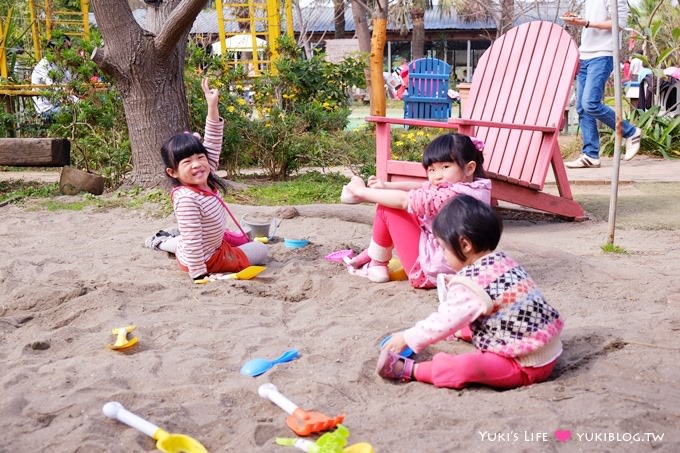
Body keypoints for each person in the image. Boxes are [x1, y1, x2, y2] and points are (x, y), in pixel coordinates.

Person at [376, 194, 564, 390]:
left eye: (443, 248)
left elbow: (442, 322)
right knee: (469, 320)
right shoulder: (502, 261)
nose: (443, 255)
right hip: (547, 347)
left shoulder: (470, 285)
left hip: (524, 364)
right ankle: (460, 334)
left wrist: (407, 337)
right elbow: (490, 294)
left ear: (465, 245)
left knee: (466, 367)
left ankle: (408, 370)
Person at [340, 133, 491, 288]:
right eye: (432, 170)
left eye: (445, 167)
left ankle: (377, 264)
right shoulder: (477, 187)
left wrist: (360, 191)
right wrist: (386, 186)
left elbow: (403, 201)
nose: (437, 176)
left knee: (387, 207)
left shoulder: (450, 196)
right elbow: (422, 186)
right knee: (401, 205)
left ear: (470, 167)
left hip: (431, 272)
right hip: (459, 266)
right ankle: (373, 253)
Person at [161, 78, 267, 282]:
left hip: (205, 243)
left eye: (200, 157)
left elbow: (213, 139)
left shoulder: (205, 175)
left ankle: (160, 241)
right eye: (187, 162)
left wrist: (212, 106)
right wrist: (199, 274)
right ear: (173, 172)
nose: (197, 164)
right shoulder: (187, 199)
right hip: (208, 258)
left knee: (190, 239)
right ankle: (166, 242)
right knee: (260, 250)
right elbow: (193, 242)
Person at [563, 1, 642, 169]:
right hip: (585, 54)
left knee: (590, 104)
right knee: (582, 108)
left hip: (603, 53)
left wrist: (587, 23)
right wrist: (580, 20)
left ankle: (631, 132)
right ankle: (590, 155)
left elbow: (619, 24)